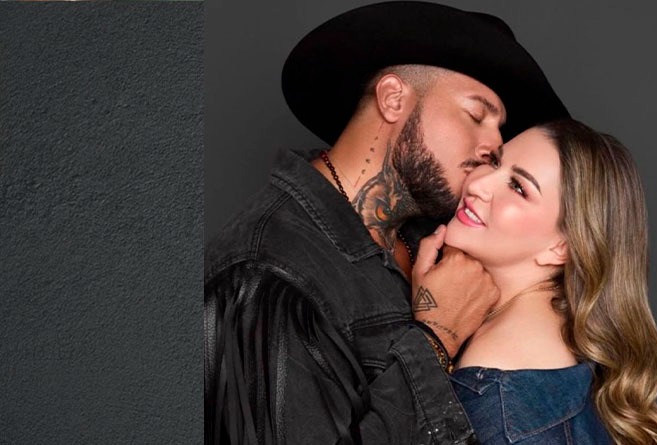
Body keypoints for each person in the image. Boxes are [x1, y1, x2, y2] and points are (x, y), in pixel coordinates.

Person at [203, 2, 569, 444]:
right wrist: (436, 338)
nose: (494, 145)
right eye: (476, 116)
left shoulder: (436, 236)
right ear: (393, 99)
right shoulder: (265, 273)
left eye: (499, 129)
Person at [409, 120, 657, 444]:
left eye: (518, 187)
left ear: (561, 248)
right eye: (494, 162)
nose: (478, 184)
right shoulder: (553, 352)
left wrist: (429, 338)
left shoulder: (498, 396)